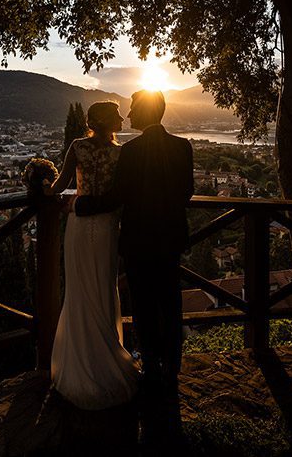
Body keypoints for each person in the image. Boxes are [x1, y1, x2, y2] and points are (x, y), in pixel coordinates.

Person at [74, 90, 194, 447]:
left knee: (143, 306)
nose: (128, 112)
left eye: (132, 107)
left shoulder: (131, 151)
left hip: (140, 241)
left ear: (145, 110)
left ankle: (151, 368)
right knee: (170, 303)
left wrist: (87, 206)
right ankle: (172, 368)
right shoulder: (183, 146)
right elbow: (186, 191)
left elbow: (119, 195)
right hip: (170, 240)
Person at [46, 101, 141, 410]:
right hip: (106, 228)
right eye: (115, 114)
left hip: (78, 224)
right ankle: (106, 361)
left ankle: (80, 365)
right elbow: (123, 196)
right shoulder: (121, 153)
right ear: (104, 121)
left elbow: (59, 187)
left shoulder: (77, 146)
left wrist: (38, 180)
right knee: (102, 289)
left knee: (77, 292)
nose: (121, 117)